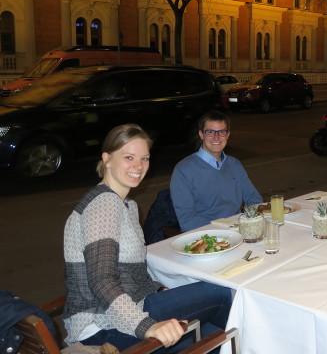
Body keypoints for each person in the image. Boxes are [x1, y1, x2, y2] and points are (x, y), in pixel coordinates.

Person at [63, 124, 231, 352]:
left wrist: (159, 290)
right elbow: (101, 280)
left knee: (215, 334)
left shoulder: (127, 205)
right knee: (220, 294)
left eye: (145, 158)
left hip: (133, 305)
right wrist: (146, 327)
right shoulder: (103, 204)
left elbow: (132, 273)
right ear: (107, 158)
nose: (138, 166)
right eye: (129, 157)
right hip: (103, 325)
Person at [171, 110, 263, 231]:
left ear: (228, 135)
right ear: (201, 134)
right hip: (206, 235)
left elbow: (253, 198)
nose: (216, 137)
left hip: (238, 228)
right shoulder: (183, 170)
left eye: (222, 132)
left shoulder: (234, 164)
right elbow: (187, 220)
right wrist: (222, 232)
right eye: (210, 132)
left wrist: (250, 222)